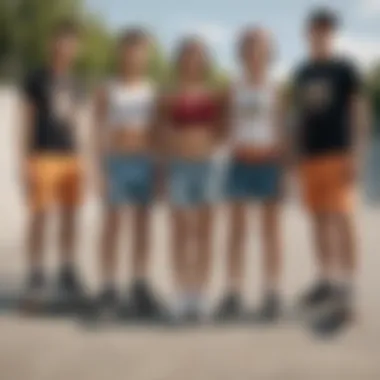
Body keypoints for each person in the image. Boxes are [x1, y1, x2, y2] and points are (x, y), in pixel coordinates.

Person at [293, 8, 369, 330]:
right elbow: (300, 117)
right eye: (316, 30)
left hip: (339, 154)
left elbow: (359, 112)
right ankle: (326, 279)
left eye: (326, 30)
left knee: (343, 220)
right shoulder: (302, 72)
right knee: (319, 219)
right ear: (308, 33)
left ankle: (347, 286)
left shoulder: (345, 69)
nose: (321, 35)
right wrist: (295, 156)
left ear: (332, 35)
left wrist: (357, 153)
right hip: (311, 157)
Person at [215, 27, 287, 322]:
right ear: (242, 51)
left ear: (268, 52)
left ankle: (271, 293)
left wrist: (284, 168)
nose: (255, 51)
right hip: (240, 162)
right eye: (250, 45)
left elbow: (283, 130)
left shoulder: (276, 88)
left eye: (261, 46)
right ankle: (233, 292)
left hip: (269, 162)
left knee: (271, 233)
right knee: (237, 232)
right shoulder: (232, 89)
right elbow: (223, 128)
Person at [92, 28, 164, 319]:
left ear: (146, 55)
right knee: (112, 226)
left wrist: (160, 170)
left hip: (144, 162)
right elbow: (97, 130)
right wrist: (99, 169)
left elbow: (158, 134)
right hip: (117, 162)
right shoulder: (107, 88)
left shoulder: (153, 90)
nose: (135, 55)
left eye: (141, 50)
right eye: (131, 48)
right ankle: (109, 286)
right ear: (121, 52)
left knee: (142, 227)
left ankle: (139, 284)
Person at [157, 37, 223, 321]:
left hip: (207, 166)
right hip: (179, 168)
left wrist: (204, 143)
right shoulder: (169, 95)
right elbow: (161, 132)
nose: (193, 59)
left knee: (204, 234)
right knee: (180, 233)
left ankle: (200, 295)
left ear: (205, 61)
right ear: (180, 59)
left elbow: (223, 130)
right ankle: (181, 294)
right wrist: (163, 169)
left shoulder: (216, 95)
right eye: (188, 54)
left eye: (198, 54)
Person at [20, 21, 85, 308]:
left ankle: (66, 269)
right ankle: (36, 272)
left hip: (71, 157)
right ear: (51, 44)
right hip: (43, 155)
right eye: (60, 41)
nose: (65, 47)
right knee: (40, 217)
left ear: (76, 49)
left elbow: (80, 123)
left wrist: (86, 160)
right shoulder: (36, 79)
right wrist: (24, 160)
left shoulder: (77, 82)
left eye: (70, 43)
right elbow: (25, 121)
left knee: (70, 218)